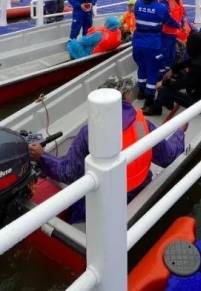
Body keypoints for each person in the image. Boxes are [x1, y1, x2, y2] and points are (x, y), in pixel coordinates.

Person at [27, 76, 185, 223]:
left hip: (104, 201)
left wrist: (42, 157)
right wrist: (179, 133)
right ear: (126, 96)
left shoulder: (88, 133)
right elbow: (167, 157)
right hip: (139, 191)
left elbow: (69, 174)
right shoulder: (143, 125)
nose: (131, 94)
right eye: (128, 91)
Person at [133, 0, 181, 110]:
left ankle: (141, 92)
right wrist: (178, 25)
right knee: (153, 70)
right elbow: (169, 21)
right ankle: (149, 99)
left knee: (141, 66)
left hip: (137, 42)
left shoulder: (138, 5)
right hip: (152, 43)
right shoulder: (161, 8)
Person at [146, 32, 201, 116]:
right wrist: (172, 70)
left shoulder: (197, 66)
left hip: (199, 104)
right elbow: (186, 63)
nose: (187, 46)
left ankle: (157, 108)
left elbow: (181, 84)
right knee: (180, 72)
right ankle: (167, 101)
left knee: (163, 89)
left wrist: (163, 82)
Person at [159, 0, 189, 75]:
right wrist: (178, 25)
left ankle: (169, 72)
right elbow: (165, 17)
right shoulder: (165, 0)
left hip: (173, 33)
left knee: (171, 53)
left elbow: (181, 13)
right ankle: (161, 74)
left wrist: (182, 24)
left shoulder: (179, 0)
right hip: (164, 33)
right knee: (164, 53)